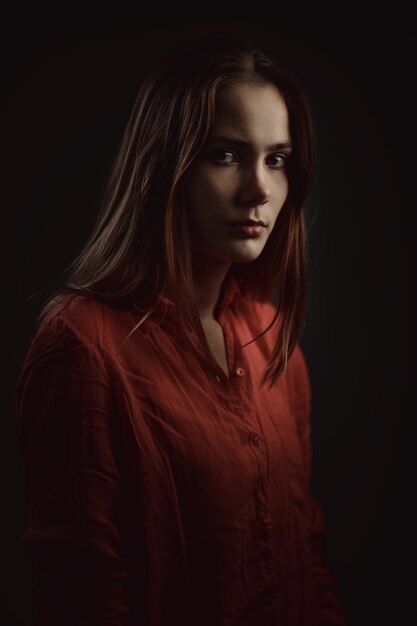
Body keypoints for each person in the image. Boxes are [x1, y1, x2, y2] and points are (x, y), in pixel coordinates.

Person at [15, 35, 347, 626]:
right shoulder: (83, 346)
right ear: (165, 164)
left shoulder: (274, 341)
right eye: (225, 155)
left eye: (276, 159)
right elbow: (84, 594)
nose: (259, 189)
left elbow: (307, 556)